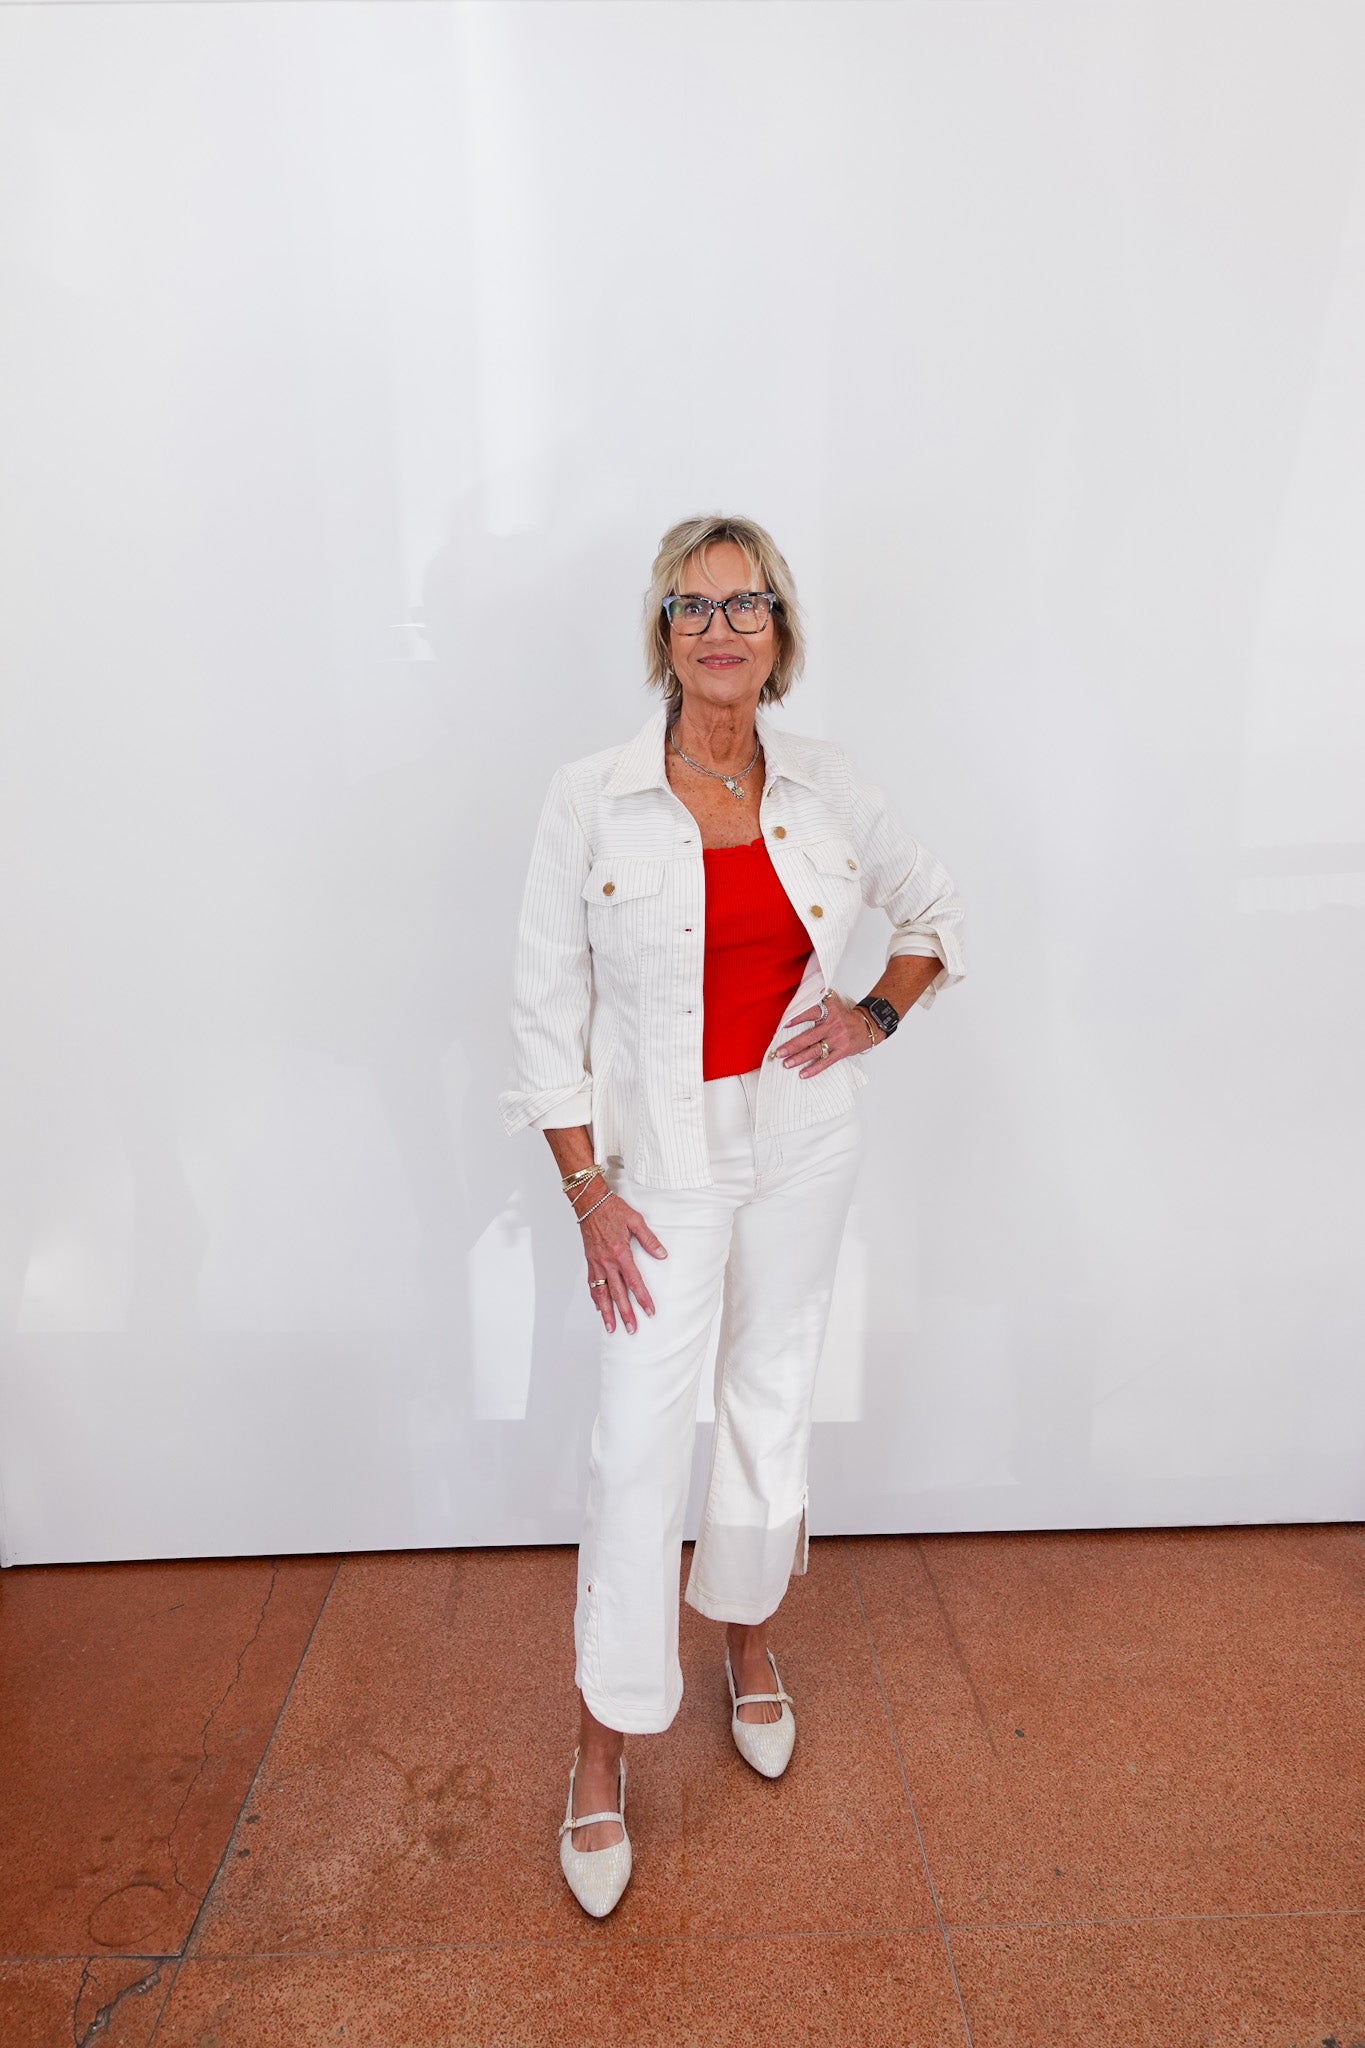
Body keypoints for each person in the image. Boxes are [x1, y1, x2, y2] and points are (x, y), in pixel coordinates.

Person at [499, 513, 965, 1917]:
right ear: (661, 635)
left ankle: (743, 1641)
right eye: (692, 608)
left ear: (779, 634)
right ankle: (600, 1743)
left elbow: (934, 918)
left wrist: (872, 1013)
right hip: (658, 1172)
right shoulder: (591, 797)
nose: (720, 629)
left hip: (801, 1145)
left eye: (745, 605)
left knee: (767, 1406)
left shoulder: (829, 790)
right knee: (638, 1444)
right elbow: (541, 1010)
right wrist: (585, 1188)